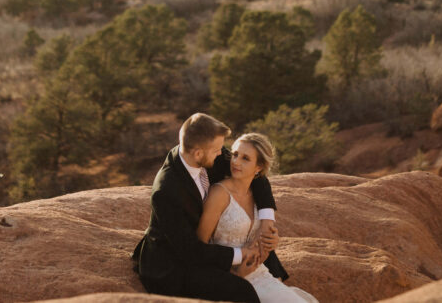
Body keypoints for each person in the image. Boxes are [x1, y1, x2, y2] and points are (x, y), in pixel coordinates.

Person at [132, 113, 287, 302]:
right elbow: (190, 251)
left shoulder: (205, 154)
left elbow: (256, 174)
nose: (224, 155)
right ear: (199, 153)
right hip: (175, 262)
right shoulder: (165, 191)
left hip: (206, 248)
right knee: (241, 290)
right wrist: (239, 256)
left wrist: (266, 220)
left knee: (269, 265)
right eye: (217, 150)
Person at [197, 133, 318, 303]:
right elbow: (200, 243)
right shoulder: (219, 194)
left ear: (259, 167)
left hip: (260, 274)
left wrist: (271, 242)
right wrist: (235, 275)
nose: (236, 162)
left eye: (245, 158)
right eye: (235, 154)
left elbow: (263, 242)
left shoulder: (258, 196)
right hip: (226, 276)